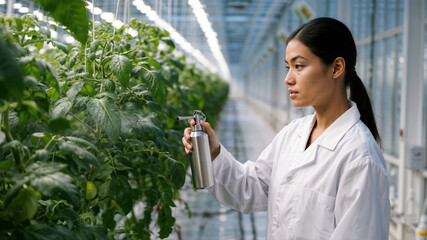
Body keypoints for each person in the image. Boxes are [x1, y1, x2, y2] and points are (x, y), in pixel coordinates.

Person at [182, 17, 390, 240]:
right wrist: (213, 153)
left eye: (299, 66)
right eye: (288, 67)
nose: (288, 79)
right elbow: (253, 188)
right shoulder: (294, 133)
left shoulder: (359, 158)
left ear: (336, 68)